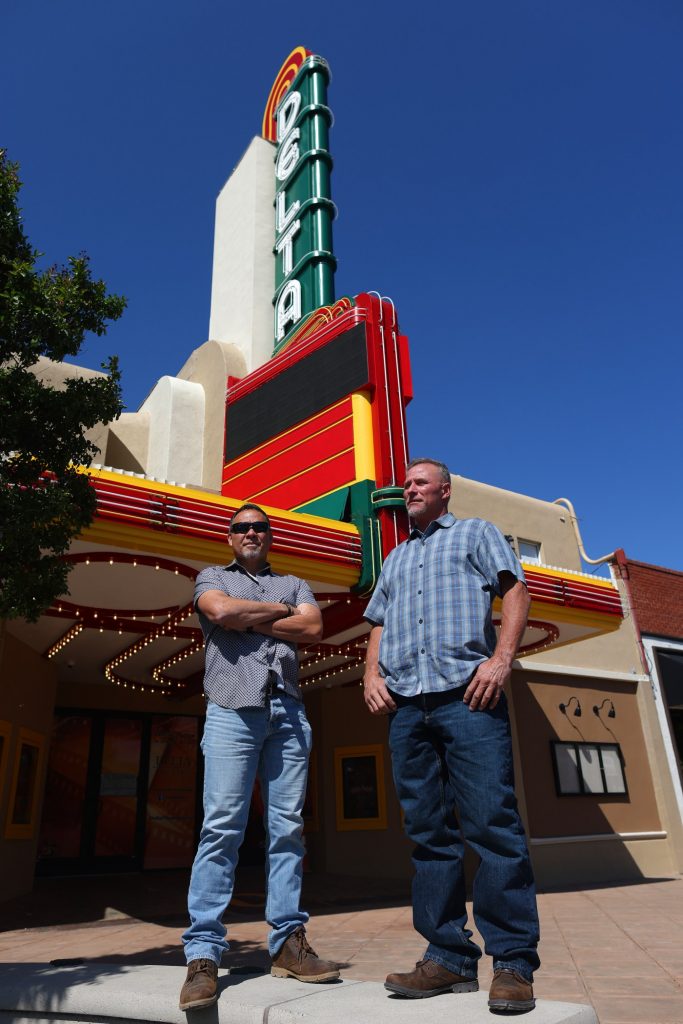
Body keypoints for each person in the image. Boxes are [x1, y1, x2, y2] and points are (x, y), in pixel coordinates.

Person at [363, 459, 540, 1014]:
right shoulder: (395, 557)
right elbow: (379, 623)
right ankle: (448, 958)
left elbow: (515, 591)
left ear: (444, 490)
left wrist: (501, 660)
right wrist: (371, 675)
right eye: (407, 485)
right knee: (428, 834)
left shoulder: (475, 533)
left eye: (420, 483)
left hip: (468, 696)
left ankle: (512, 962)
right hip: (407, 708)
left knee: (492, 824)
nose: (410, 490)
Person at [179, 503, 339, 1011]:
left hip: (288, 713)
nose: (250, 532)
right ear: (229, 537)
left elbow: (313, 629)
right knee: (222, 826)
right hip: (231, 711)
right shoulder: (211, 577)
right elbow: (221, 612)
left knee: (288, 827)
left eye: (259, 527)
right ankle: (203, 955)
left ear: (270, 536)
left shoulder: (295, 582)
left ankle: (288, 943)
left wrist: (252, 618)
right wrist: (276, 615)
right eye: (241, 527)